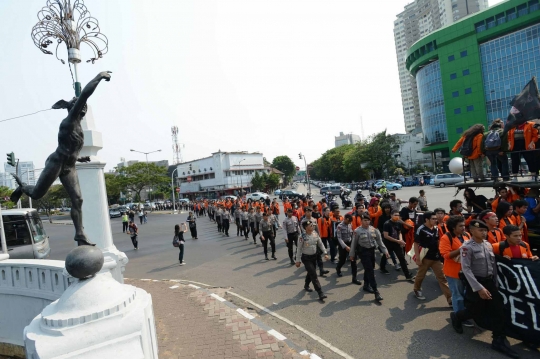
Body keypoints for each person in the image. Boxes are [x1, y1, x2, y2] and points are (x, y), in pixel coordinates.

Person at [450, 220, 519, 359]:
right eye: (480, 230)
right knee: (475, 310)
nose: (484, 232)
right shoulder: (467, 247)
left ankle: (498, 339)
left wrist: (496, 280)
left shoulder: (487, 245)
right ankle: (457, 317)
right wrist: (479, 288)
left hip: (489, 282)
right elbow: (466, 269)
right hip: (475, 283)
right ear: (472, 231)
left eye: (485, 230)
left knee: (498, 308)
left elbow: (492, 264)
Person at [439, 215, 473, 326]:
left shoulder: (466, 235)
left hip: (467, 270)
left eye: (464, 225)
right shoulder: (446, 237)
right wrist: (461, 249)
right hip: (454, 272)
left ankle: (465, 313)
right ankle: (459, 316)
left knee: (466, 294)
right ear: (453, 227)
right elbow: (446, 255)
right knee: (457, 295)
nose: (464, 227)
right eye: (461, 226)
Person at [413, 211, 452, 303]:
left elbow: (437, 241)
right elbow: (416, 243)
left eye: (436, 219)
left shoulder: (436, 228)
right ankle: (417, 289)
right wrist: (418, 259)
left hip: (436, 258)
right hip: (425, 258)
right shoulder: (421, 229)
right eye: (433, 219)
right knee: (421, 276)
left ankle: (450, 298)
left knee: (442, 277)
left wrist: (442, 252)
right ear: (427, 219)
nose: (436, 220)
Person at [350, 214, 388, 301]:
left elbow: (379, 241)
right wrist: (352, 255)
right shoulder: (357, 231)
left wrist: (385, 250)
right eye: (365, 220)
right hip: (363, 252)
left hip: (371, 251)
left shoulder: (374, 230)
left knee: (370, 268)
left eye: (368, 220)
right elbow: (353, 244)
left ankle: (366, 285)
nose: (367, 222)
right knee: (370, 270)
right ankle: (376, 291)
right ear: (361, 221)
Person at [295, 220, 329, 302]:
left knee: (311, 272)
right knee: (314, 274)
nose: (312, 226)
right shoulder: (302, 236)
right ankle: (320, 292)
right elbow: (299, 249)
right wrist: (298, 260)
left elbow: (320, 243)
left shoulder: (315, 234)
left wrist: (325, 253)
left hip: (314, 257)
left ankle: (306, 285)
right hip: (306, 258)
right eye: (310, 225)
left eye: (312, 225)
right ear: (306, 227)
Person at [380, 210, 414, 281]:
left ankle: (407, 275)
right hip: (388, 243)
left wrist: (401, 240)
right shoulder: (387, 224)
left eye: (398, 215)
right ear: (391, 215)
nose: (397, 217)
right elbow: (386, 236)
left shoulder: (398, 223)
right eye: (395, 215)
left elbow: (399, 232)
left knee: (401, 258)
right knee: (385, 256)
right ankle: (382, 268)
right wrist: (398, 241)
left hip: (397, 243)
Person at [335, 214, 361, 285]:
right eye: (348, 221)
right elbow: (339, 238)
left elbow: (352, 234)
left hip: (350, 243)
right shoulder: (339, 226)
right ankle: (338, 268)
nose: (349, 223)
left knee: (353, 261)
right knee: (342, 260)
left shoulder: (350, 224)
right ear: (345, 218)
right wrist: (345, 247)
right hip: (342, 245)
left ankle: (354, 278)